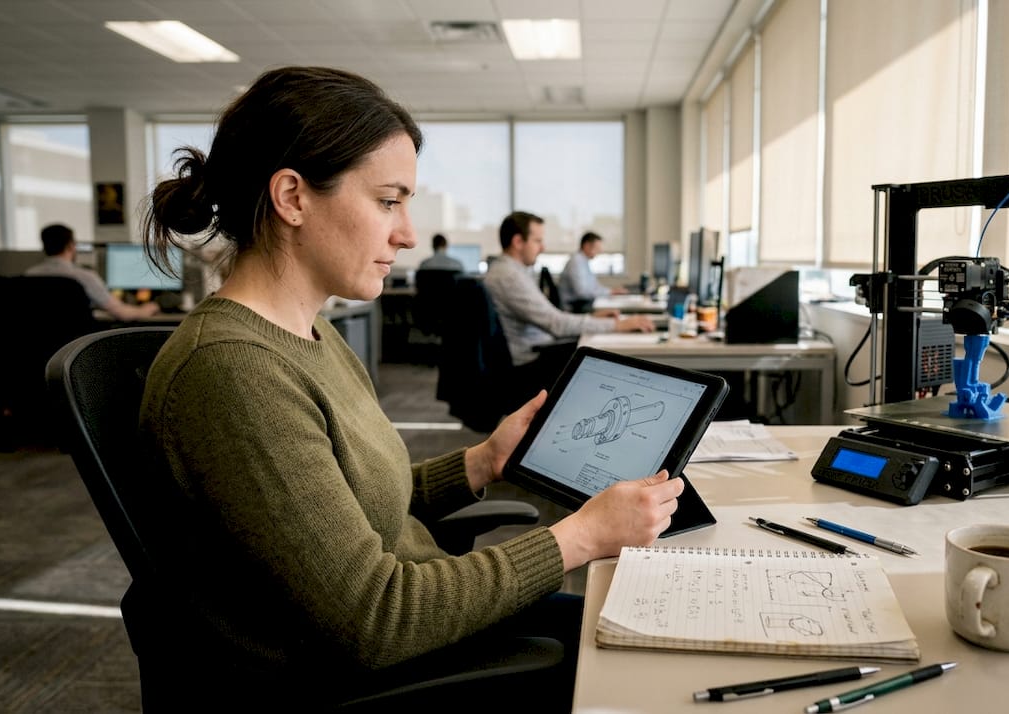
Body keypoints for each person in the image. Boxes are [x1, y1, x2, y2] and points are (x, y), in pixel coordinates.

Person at [137, 66, 683, 710]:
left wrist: (483, 461)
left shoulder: (310, 332)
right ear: (292, 197)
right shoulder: (233, 372)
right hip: (356, 675)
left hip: (422, 625)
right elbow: (374, 619)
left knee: (656, 642)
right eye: (388, 200)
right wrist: (581, 537)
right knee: (655, 672)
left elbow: (365, 511)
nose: (408, 233)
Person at [484, 212, 654, 393]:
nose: (543, 247)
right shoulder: (509, 276)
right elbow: (557, 325)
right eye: (537, 241)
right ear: (518, 242)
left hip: (540, 350)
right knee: (609, 361)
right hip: (531, 363)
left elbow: (553, 320)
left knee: (603, 349)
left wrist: (592, 318)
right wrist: (617, 325)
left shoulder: (510, 271)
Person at [25, 224, 160, 320]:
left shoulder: (29, 275)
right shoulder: (84, 277)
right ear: (71, 246)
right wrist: (148, 309)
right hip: (75, 348)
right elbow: (122, 313)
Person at [558, 231, 624, 312]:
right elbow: (582, 292)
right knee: (611, 311)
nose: (599, 252)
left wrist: (610, 291)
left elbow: (594, 286)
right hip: (574, 306)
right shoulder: (576, 262)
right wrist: (609, 292)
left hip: (581, 303)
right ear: (586, 246)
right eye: (597, 249)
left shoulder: (583, 261)